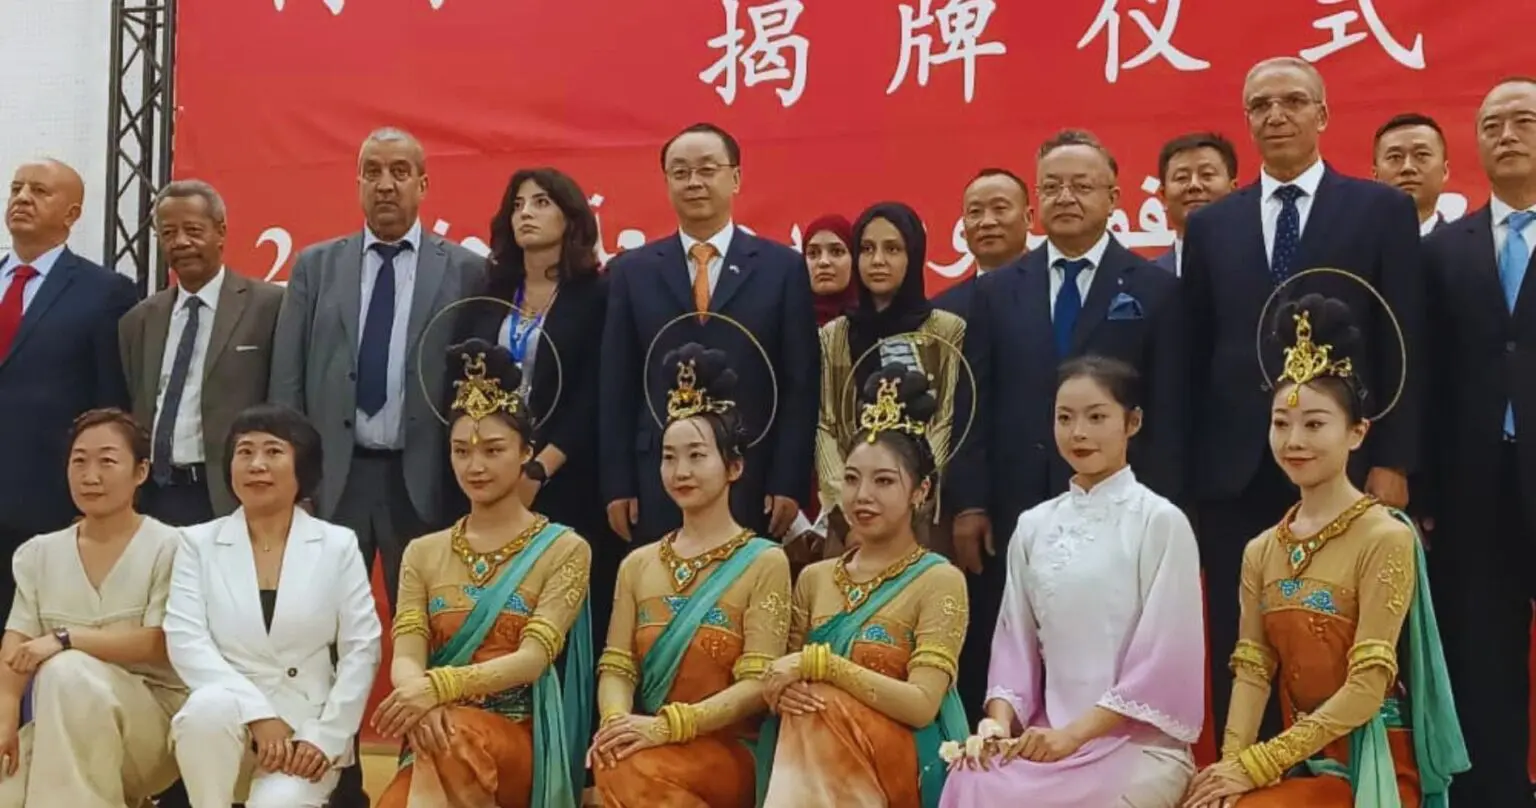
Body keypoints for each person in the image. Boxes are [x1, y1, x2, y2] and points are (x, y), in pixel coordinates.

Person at [1182, 56, 1424, 736]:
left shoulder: (1380, 209)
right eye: (1260, 105)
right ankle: (1247, 768)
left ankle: (1359, 775)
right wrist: (1189, 480)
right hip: (1236, 468)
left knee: (1354, 635)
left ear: (1323, 114)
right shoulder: (1211, 225)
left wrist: (1394, 459)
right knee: (1245, 640)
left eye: (1292, 101)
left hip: (1349, 465)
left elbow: (1403, 340)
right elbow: (1194, 354)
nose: (1276, 115)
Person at [1183, 293, 1466, 808]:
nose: (1294, 440)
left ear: (1357, 433)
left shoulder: (1385, 537)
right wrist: (1227, 769)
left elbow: (1367, 688)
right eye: (1281, 423)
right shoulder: (1261, 550)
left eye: (1314, 424)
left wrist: (1257, 765)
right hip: (1305, 765)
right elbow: (1253, 672)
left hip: (1373, 767)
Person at [950, 128, 1186, 719]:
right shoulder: (996, 291)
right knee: (1008, 647)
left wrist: (1162, 502)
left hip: (1119, 505)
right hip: (1014, 502)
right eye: (1052, 186)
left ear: (1114, 198)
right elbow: (973, 403)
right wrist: (969, 502)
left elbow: (1170, 410)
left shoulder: (1156, 289)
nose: (1066, 197)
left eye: (1082, 185)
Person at [939, 357, 1202, 808]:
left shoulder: (1160, 522)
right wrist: (997, 724)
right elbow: (1014, 646)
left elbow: (1163, 663)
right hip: (1048, 738)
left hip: (1137, 745)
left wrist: (1074, 736)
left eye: (1096, 417)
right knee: (972, 779)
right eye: (1065, 418)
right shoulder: (1034, 526)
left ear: (1133, 422)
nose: (1078, 432)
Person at [268, 126, 485, 613]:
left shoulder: (467, 271)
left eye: (399, 172)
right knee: (319, 622)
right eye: (372, 172)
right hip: (333, 481)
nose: (385, 184)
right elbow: (287, 382)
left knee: (430, 621)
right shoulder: (315, 267)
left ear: (423, 185)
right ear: (358, 184)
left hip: (424, 479)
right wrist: (295, 478)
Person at [373, 338, 593, 807]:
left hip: (517, 738)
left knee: (455, 739)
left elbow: (532, 660)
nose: (475, 466)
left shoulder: (563, 549)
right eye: (461, 451)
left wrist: (437, 689)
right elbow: (407, 653)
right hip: (437, 729)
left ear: (526, 452)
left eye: (493, 450)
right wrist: (419, 695)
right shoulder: (422, 552)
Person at [758, 364, 970, 808]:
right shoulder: (814, 578)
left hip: (902, 753)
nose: (862, 495)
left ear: (921, 491)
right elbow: (778, 680)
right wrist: (785, 690)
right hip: (813, 749)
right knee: (812, 709)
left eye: (884, 481)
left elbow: (922, 704)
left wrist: (823, 667)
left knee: (820, 706)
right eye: (851, 478)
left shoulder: (939, 579)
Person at [589, 343, 791, 807]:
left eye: (697, 456)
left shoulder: (764, 562)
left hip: (728, 747)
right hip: (647, 741)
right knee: (618, 762)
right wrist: (618, 724)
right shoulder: (638, 564)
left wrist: (670, 727)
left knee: (632, 773)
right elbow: (617, 667)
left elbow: (758, 686)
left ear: (734, 466)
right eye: (669, 457)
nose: (681, 471)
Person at [599, 122, 818, 544]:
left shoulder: (782, 268)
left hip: (751, 471)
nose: (694, 182)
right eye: (680, 172)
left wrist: (788, 480)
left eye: (707, 169)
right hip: (658, 473)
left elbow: (800, 383)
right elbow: (616, 385)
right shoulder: (631, 271)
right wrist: (617, 483)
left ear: (735, 178)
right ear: (666, 183)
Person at [163, 404, 382, 808]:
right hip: (227, 719)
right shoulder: (196, 543)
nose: (256, 465)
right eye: (244, 452)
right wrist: (259, 715)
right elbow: (186, 641)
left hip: (306, 727)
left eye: (273, 451)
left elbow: (362, 649)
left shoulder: (337, 545)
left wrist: (326, 737)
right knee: (205, 708)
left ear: (303, 467)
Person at [1421, 77, 1536, 807]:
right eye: (1492, 124)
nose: (1507, 135)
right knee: (1482, 657)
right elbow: (1427, 377)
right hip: (1473, 490)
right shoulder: (1443, 251)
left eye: (1523, 120)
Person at [455, 166, 617, 659]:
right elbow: (457, 382)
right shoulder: (487, 294)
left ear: (572, 218)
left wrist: (540, 468)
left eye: (542, 203)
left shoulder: (597, 295)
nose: (526, 213)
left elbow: (596, 392)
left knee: (558, 624)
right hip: (488, 475)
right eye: (518, 204)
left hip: (565, 480)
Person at [0, 409, 183, 807]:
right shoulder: (38, 554)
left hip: (151, 727)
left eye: (107, 461)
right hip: (61, 723)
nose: (90, 475)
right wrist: (6, 712)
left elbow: (159, 643)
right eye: (79, 461)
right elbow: (16, 646)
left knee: (66, 669)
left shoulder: (173, 547)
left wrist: (66, 640)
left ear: (140, 471)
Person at [0, 158, 137, 610]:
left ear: (72, 214)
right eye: (16, 188)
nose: (22, 198)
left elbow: (110, 403)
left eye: (39, 191)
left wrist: (97, 495)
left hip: (47, 503)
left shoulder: (105, 292)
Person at [120, 179, 284, 524]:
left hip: (230, 495)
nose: (181, 242)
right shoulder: (139, 320)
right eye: (168, 233)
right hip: (153, 495)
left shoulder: (270, 306)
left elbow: (287, 404)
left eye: (193, 230)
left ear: (220, 232)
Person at [815, 202, 965, 557]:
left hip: (920, 515)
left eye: (893, 249)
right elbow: (825, 424)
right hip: (849, 522)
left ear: (914, 256)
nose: (878, 260)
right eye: (867, 249)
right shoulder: (835, 334)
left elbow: (946, 419)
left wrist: (909, 493)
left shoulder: (946, 330)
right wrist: (847, 503)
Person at [934, 168, 1032, 319]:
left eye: (1000, 208)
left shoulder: (1059, 290)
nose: (987, 222)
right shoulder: (942, 313)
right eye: (975, 212)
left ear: (1028, 218)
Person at [1154, 132, 1239, 275]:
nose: (1194, 185)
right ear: (1163, 195)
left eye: (1207, 175)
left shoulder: (1260, 269)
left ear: (1234, 189)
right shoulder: (1147, 279)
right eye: (1181, 177)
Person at [1371, 113, 1450, 237]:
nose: (1407, 167)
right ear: (1375, 175)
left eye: (1421, 155)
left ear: (1444, 170)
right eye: (1395, 157)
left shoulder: (1465, 246)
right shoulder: (1353, 245)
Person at [804, 213, 857, 328]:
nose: (823, 262)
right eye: (813, 253)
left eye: (836, 252)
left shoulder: (875, 322)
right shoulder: (785, 323)